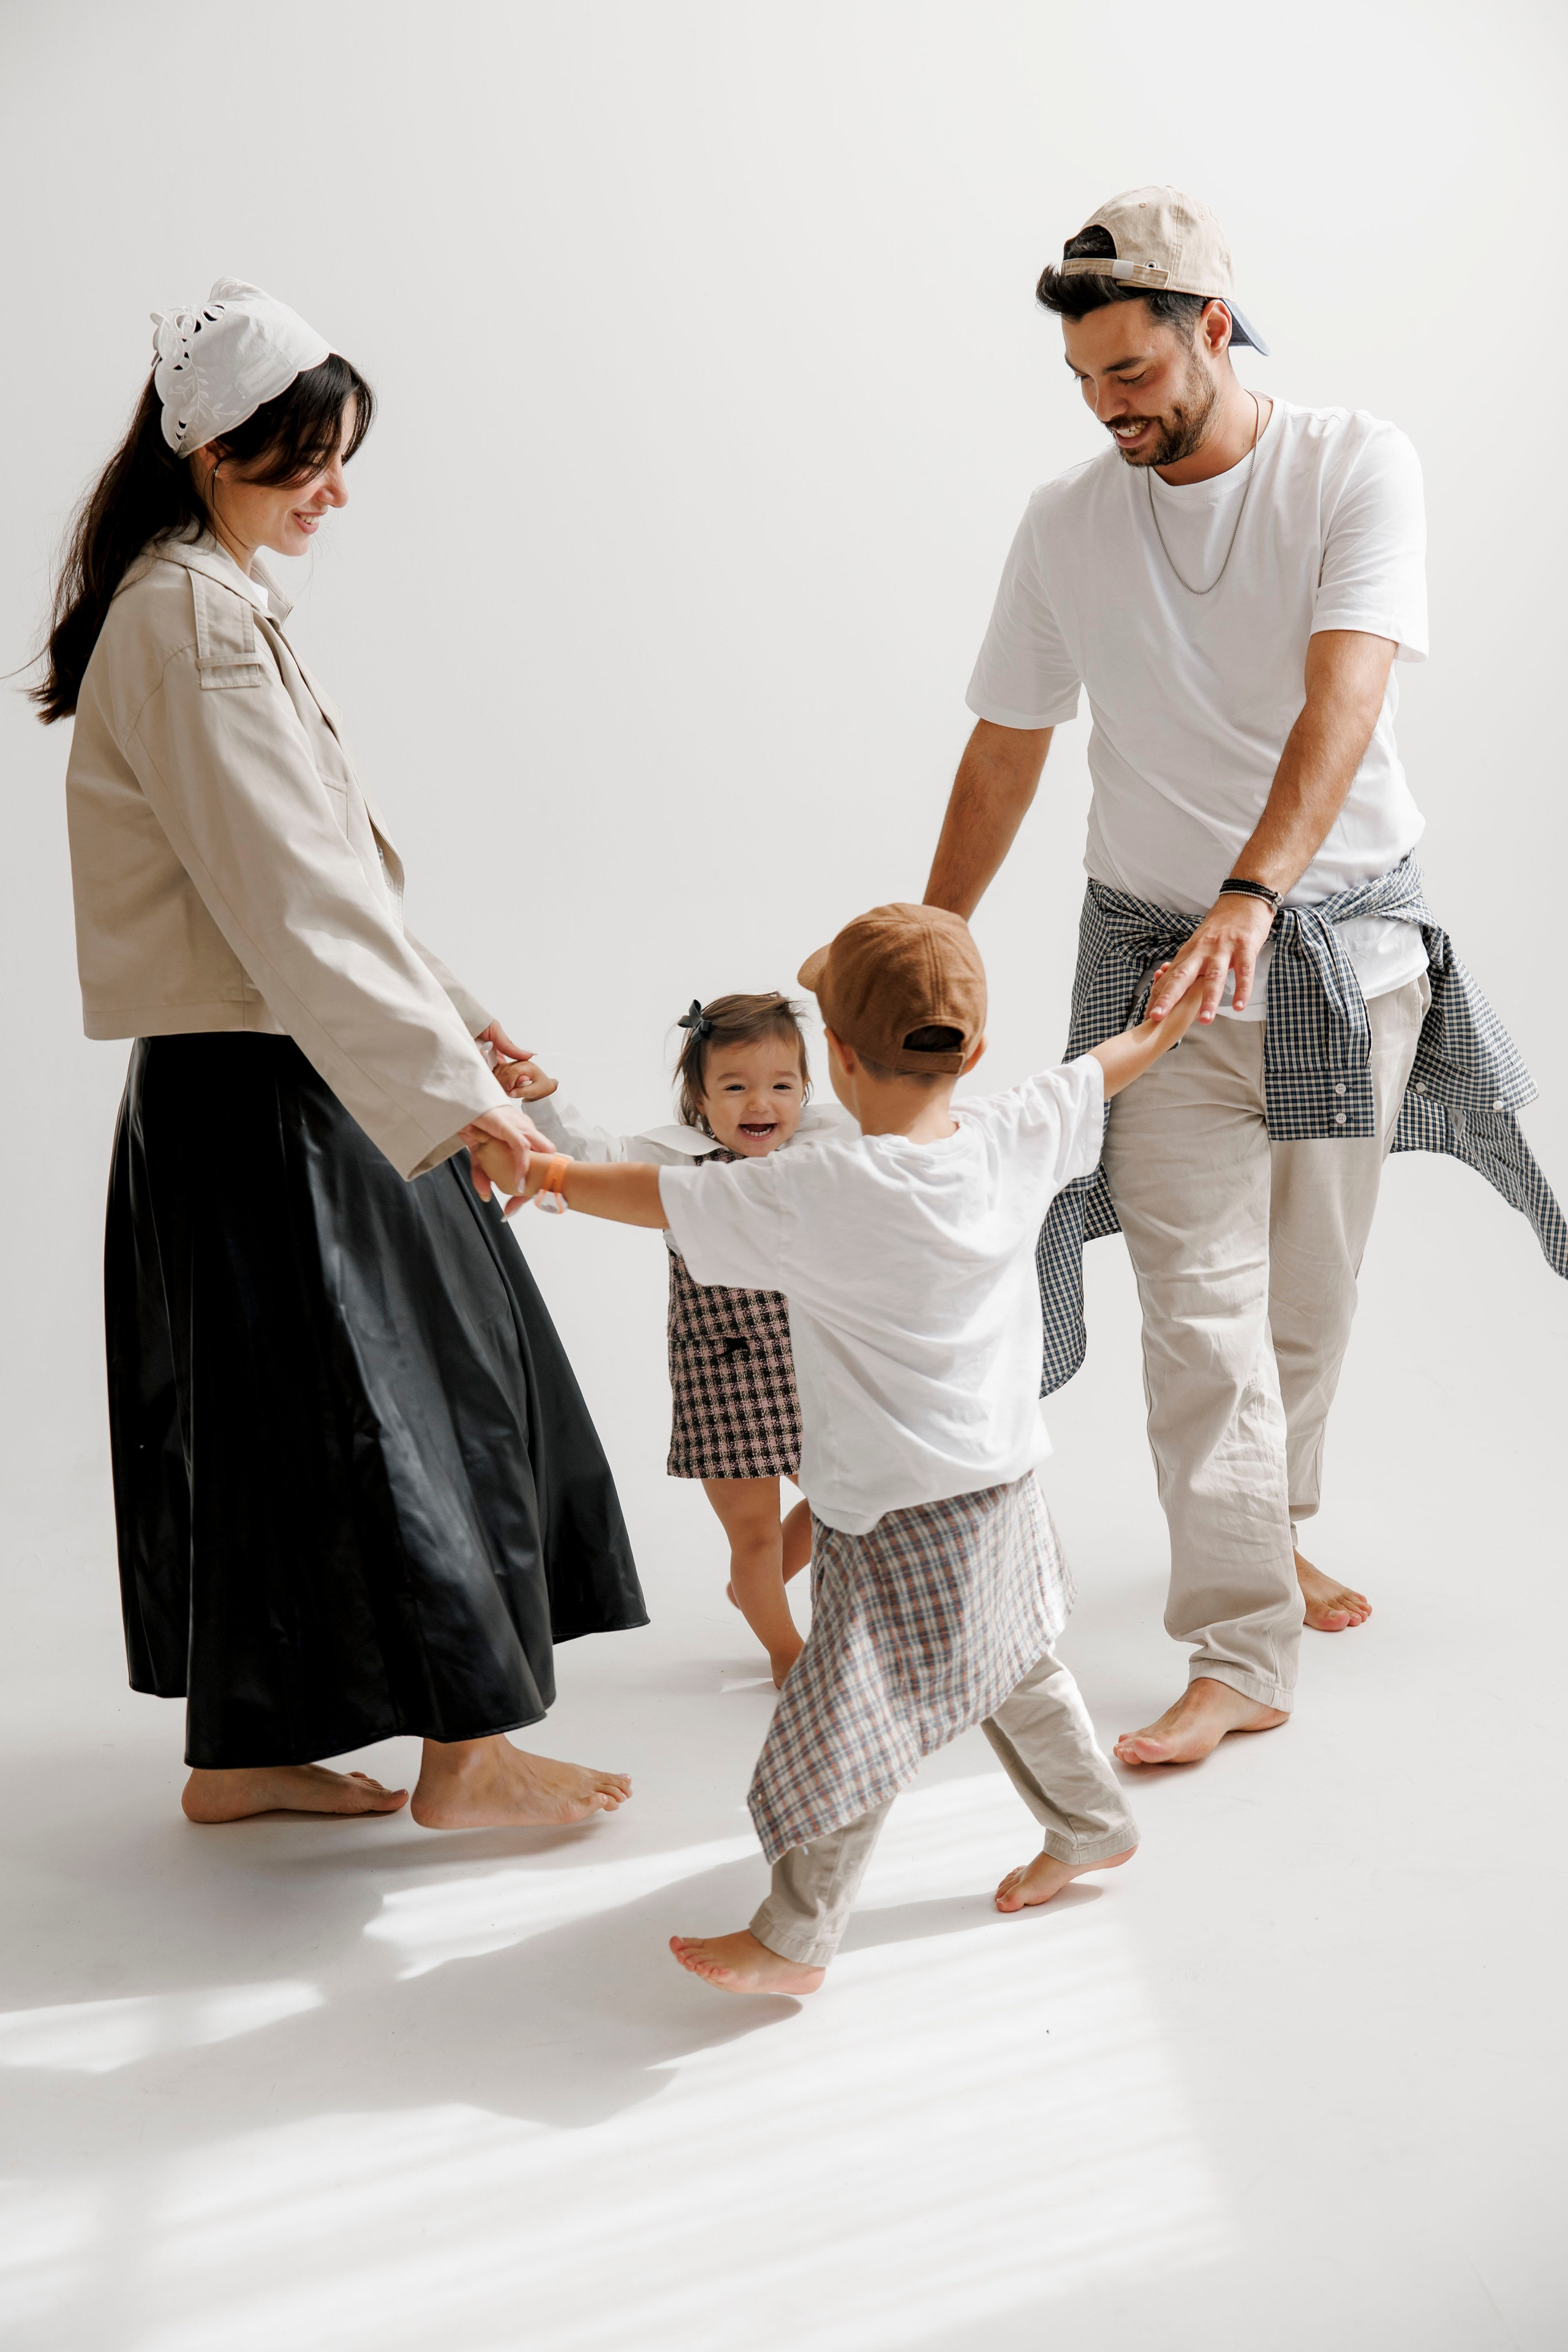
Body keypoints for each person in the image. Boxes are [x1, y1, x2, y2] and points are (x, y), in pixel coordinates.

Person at [923, 188, 1567, 1769]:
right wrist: (926, 947)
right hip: (1159, 969)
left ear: (1216, 323)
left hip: (1343, 950)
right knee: (1193, 1310)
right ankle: (1238, 1645)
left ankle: (1276, 1527)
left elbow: (1342, 701)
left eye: (1132, 372)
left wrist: (1255, 895)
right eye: (1084, 382)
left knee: (1309, 1303)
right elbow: (1009, 747)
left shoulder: (1357, 465)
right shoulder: (1069, 521)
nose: (1108, 408)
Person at [36, 279, 646, 1828]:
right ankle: (469, 1753)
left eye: (340, 454)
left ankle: (244, 1752)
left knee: (277, 1421)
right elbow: (296, 901)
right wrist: (453, 1097)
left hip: (249, 1077)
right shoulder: (194, 624)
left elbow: (305, 882)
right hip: (283, 1090)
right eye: (303, 457)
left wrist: (468, 1023)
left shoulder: (196, 603)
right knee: (427, 1395)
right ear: (208, 451)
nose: (334, 489)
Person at [476, 903, 1205, 1994]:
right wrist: (1170, 1017)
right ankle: (1095, 1826)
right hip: (1003, 1484)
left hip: (896, 1509)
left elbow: (656, 1195)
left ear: (839, 1060)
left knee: (847, 1725)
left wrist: (546, 1175)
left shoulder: (819, 1188)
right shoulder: (1015, 1130)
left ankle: (794, 1936)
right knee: (1014, 1661)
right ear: (977, 1051)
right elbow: (1105, 1067)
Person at [505, 992, 842, 1685]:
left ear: (806, 1089)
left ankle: (764, 1581)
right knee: (750, 1531)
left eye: (782, 1086)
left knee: (851, 1493)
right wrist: (543, 1101)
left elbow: (911, 1135)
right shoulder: (675, 1158)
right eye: (735, 1086)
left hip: (814, 1367)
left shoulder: (826, 1144)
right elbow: (588, 1157)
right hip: (723, 1372)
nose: (761, 1104)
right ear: (699, 1096)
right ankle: (785, 1652)